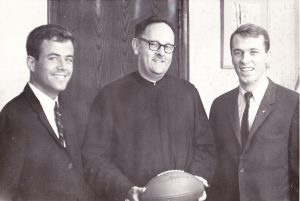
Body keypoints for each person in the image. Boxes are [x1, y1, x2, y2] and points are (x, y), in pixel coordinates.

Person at [82, 16, 216, 201]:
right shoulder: (110, 96)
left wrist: (195, 180)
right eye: (154, 44)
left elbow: (206, 147)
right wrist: (126, 190)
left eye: (168, 47)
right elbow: (94, 159)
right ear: (136, 46)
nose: (162, 52)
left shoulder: (188, 93)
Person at [0, 24, 97, 201]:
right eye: (53, 58)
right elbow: (4, 193)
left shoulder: (70, 111)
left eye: (69, 59)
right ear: (31, 63)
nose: (63, 67)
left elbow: (77, 183)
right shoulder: (14, 115)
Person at [208, 23, 299, 201]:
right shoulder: (219, 105)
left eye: (253, 52)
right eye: (238, 52)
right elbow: (215, 167)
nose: (244, 59)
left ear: (267, 56)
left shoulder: (293, 103)